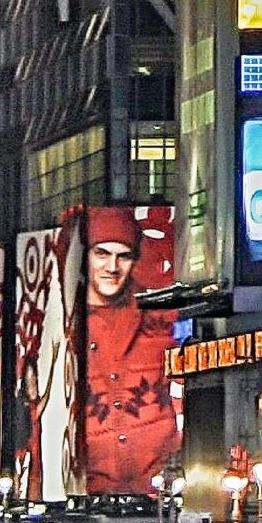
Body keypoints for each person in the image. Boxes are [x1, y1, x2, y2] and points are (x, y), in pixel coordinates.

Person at [78, 206, 178, 493]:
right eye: (102, 254)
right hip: (83, 489)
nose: (112, 267)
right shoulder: (60, 318)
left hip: (158, 486)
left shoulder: (159, 312)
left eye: (123, 256)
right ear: (85, 257)